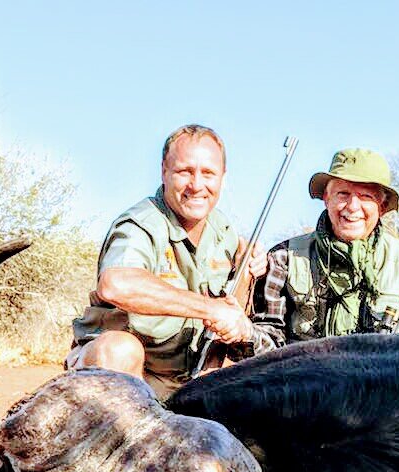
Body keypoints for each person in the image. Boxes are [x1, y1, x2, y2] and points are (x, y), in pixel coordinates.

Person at [67, 124, 264, 399]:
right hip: (132, 375)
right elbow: (115, 285)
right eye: (185, 172)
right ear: (164, 171)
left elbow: (234, 314)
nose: (196, 185)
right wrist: (209, 309)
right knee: (120, 350)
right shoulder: (141, 224)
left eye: (208, 173)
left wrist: (250, 268)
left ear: (223, 178)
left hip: (188, 382)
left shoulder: (226, 233)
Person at [246, 148, 399, 355]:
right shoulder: (284, 257)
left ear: (381, 206)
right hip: (303, 382)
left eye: (365, 196)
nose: (353, 207)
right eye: (343, 194)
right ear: (327, 198)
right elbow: (268, 337)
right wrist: (245, 332)